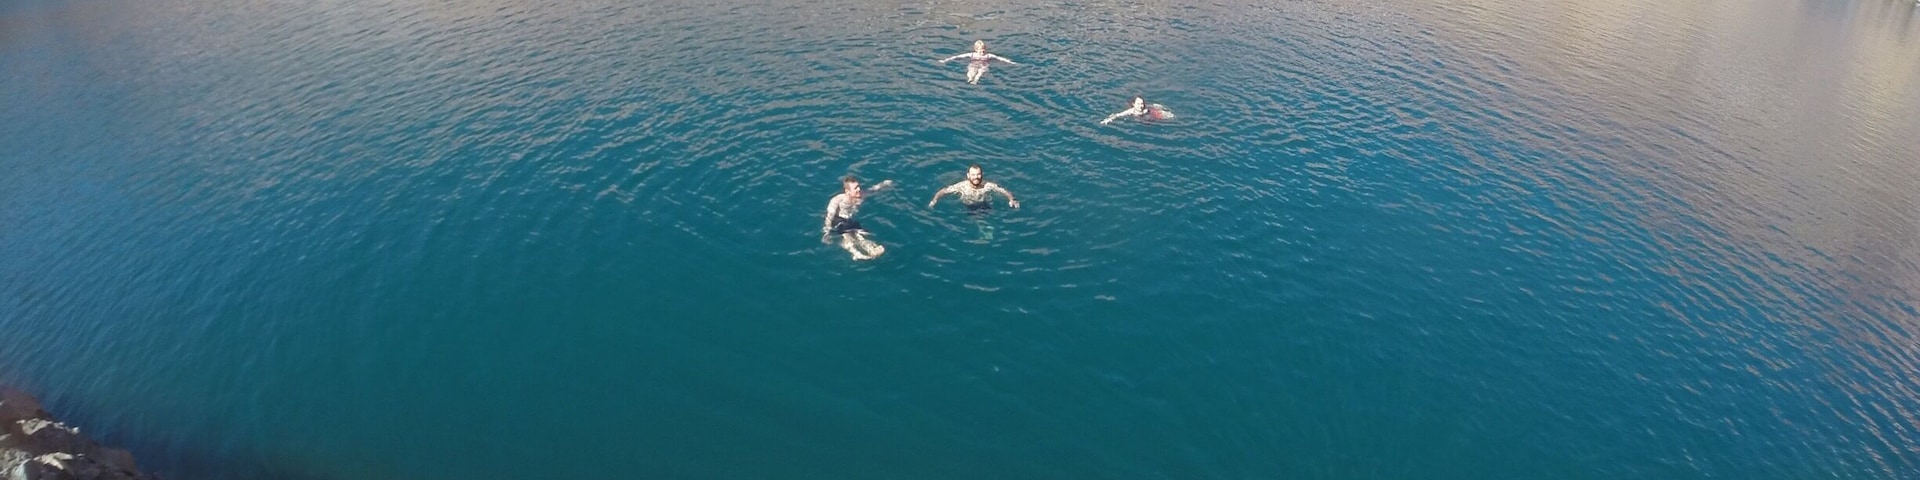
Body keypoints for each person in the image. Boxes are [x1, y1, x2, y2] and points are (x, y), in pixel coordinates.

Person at [822, 175, 895, 260]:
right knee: (848, 234)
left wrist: (885, 184)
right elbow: (829, 216)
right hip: (839, 220)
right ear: (847, 191)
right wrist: (826, 232)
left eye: (859, 186)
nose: (859, 189)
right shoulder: (838, 200)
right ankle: (855, 253)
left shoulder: (862, 195)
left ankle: (871, 249)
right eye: (855, 188)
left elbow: (873, 189)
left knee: (861, 234)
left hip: (850, 220)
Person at [928, 164, 1019, 212]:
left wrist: (1011, 199)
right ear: (968, 176)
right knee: (977, 219)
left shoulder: (987, 185)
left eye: (978, 174)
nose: (976, 177)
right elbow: (943, 191)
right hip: (969, 206)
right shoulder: (961, 186)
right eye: (973, 175)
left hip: (984, 204)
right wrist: (935, 200)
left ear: (981, 175)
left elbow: (1003, 191)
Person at [939, 40, 1018, 84]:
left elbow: (999, 58)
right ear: (976, 50)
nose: (982, 51)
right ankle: (970, 78)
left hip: (984, 64)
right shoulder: (972, 54)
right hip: (974, 63)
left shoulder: (988, 55)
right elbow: (959, 56)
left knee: (982, 70)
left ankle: (976, 80)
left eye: (984, 49)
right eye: (980, 50)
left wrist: (1010, 62)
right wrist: (946, 60)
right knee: (971, 70)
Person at [1100, 97, 1175, 124]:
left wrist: (1160, 108)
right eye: (1138, 104)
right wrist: (1108, 119)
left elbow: (1153, 106)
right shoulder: (1131, 111)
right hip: (1145, 119)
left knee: (1171, 116)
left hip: (1152, 114)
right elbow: (1118, 115)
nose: (1141, 106)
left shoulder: (1146, 107)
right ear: (1134, 104)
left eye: (1142, 103)